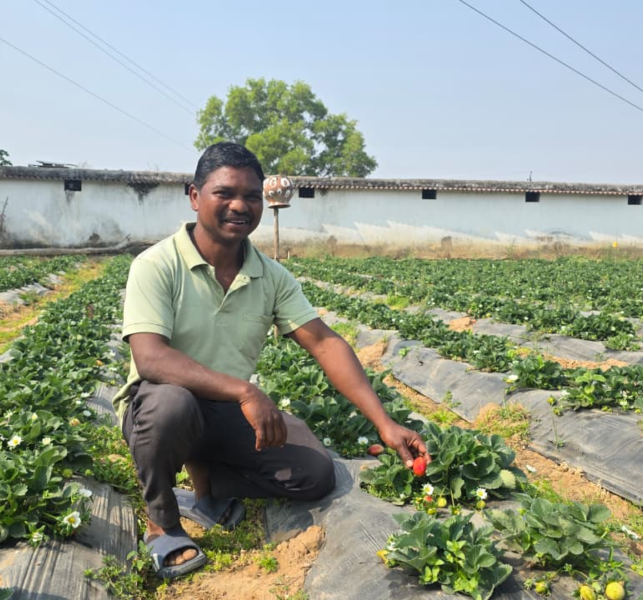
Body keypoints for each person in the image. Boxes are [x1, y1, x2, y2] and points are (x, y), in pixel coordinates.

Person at [112, 141, 429, 580]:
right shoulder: (157, 264)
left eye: (252, 196)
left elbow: (324, 343)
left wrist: (384, 422)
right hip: (159, 405)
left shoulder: (270, 275)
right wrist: (245, 390)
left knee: (314, 474)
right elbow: (150, 358)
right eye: (225, 193)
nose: (240, 205)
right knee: (173, 405)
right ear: (195, 196)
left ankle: (207, 489)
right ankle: (162, 523)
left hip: (222, 412)